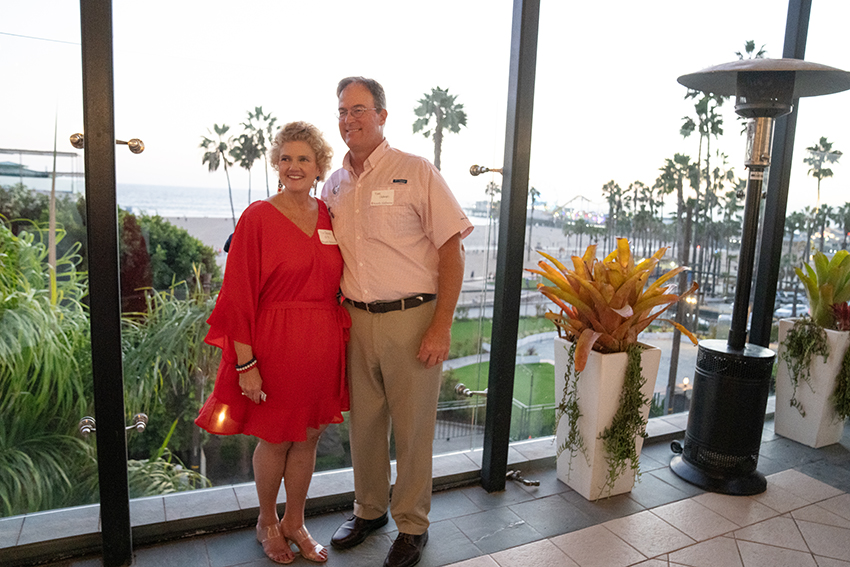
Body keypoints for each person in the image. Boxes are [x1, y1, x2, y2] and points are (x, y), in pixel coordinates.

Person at [322, 77, 473, 567]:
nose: (350, 119)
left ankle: (412, 525)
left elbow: (452, 250)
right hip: (355, 320)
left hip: (413, 319)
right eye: (343, 111)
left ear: (383, 115)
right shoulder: (335, 184)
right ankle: (368, 510)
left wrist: (441, 325)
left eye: (360, 109)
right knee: (363, 426)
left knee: (412, 432)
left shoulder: (416, 171)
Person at [195, 121, 349, 565]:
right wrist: (245, 365)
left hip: (322, 344)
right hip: (274, 345)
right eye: (286, 158)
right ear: (276, 165)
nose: (294, 166)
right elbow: (238, 296)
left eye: (304, 158)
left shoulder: (328, 216)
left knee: (309, 438)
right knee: (277, 439)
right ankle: (266, 521)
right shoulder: (257, 217)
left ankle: (295, 522)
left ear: (320, 166)